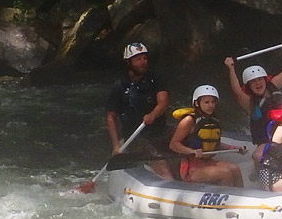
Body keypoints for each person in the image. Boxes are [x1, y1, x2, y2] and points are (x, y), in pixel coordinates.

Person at [224, 38, 282, 164]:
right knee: (257, 156)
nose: (258, 83)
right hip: (267, 142)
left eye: (260, 79)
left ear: (265, 80)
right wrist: (231, 68)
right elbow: (237, 91)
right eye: (253, 81)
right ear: (249, 85)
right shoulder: (249, 101)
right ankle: (260, 171)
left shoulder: (274, 85)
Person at [105, 42, 172, 179]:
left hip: (159, 130)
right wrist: (116, 145)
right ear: (129, 62)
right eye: (138, 59)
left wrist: (152, 114)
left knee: (189, 133)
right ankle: (170, 183)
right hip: (136, 136)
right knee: (160, 164)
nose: (143, 62)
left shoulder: (155, 79)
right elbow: (111, 117)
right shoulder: (120, 86)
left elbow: (163, 102)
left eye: (144, 58)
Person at [169, 85, 247, 187]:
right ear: (197, 103)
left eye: (213, 102)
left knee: (234, 168)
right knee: (225, 173)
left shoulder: (212, 120)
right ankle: (225, 201)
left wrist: (235, 148)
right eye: (206, 102)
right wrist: (192, 151)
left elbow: (215, 144)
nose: (210, 105)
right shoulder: (189, 121)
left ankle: (242, 197)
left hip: (206, 162)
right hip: (191, 168)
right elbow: (173, 144)